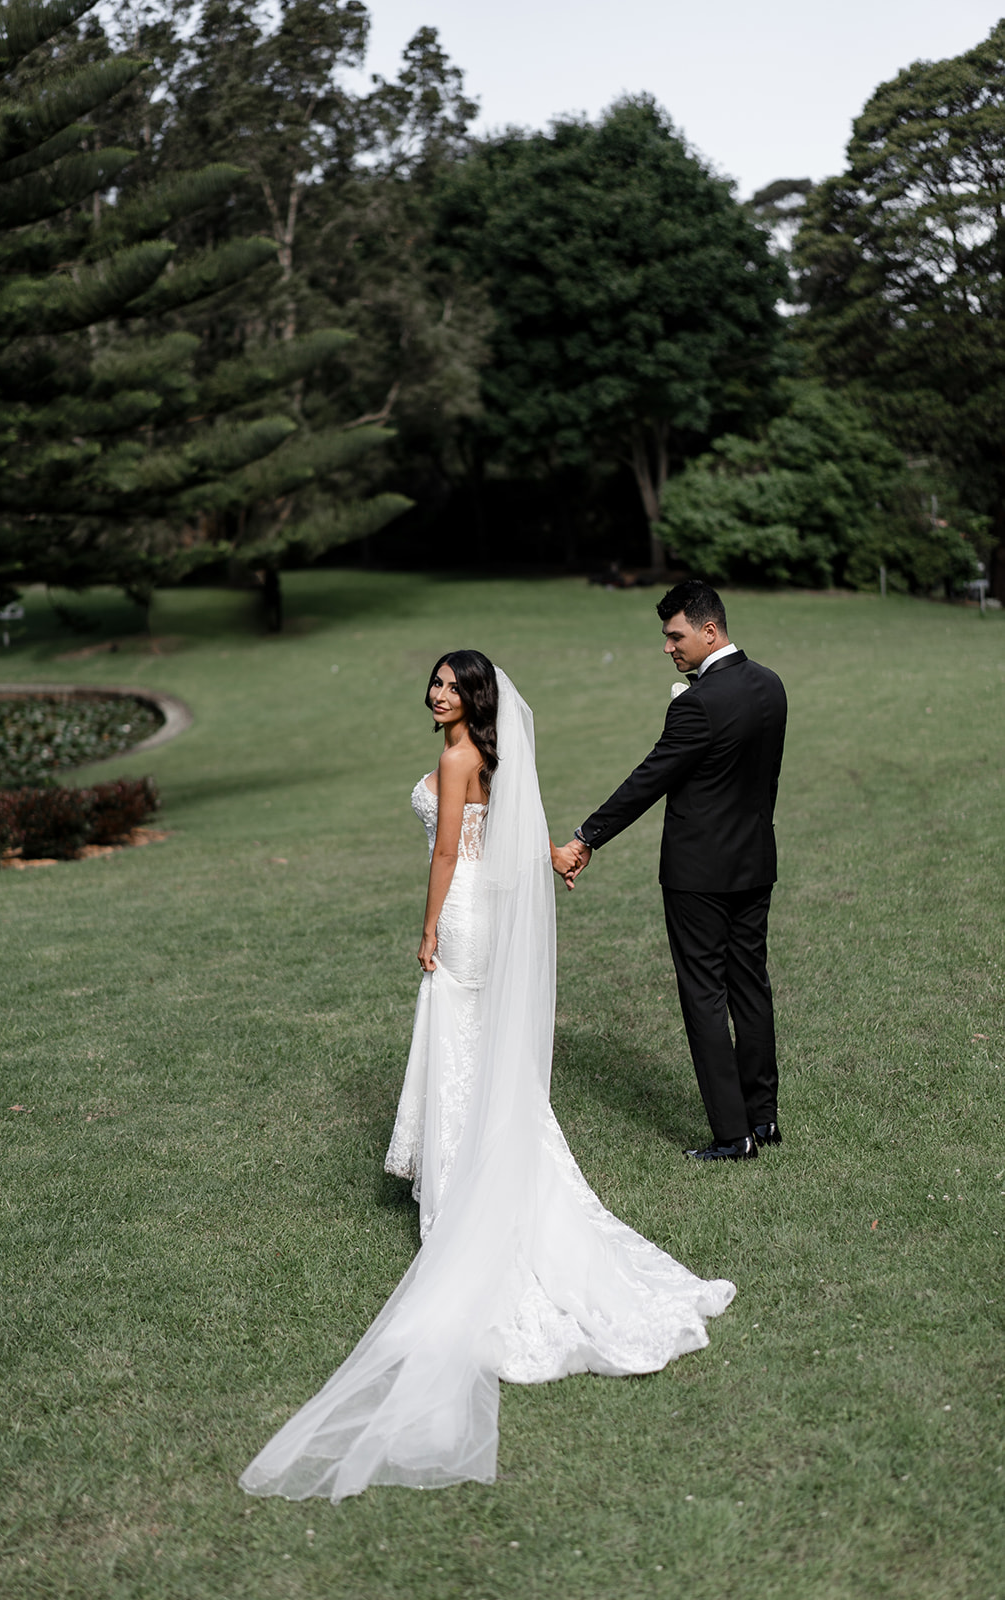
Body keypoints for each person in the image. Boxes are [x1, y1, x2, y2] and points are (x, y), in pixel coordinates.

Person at [240, 650, 734, 1504]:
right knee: (473, 1052)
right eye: (433, 684)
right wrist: (551, 855)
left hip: (463, 912)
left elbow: (444, 853)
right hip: (489, 909)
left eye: (450, 687)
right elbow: (502, 821)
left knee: (459, 1046)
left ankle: (462, 1189)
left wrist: (428, 928)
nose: (436, 695)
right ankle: (479, 1167)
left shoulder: (457, 757)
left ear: (474, 698)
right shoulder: (488, 757)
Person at [553, 581, 787, 1162]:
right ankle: (763, 1119)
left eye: (675, 635)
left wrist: (586, 837)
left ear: (709, 630)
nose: (668, 647)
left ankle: (733, 1135)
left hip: (698, 875)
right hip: (755, 861)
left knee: (704, 994)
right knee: (750, 986)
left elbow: (649, 779)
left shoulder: (696, 705)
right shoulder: (771, 685)